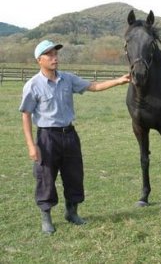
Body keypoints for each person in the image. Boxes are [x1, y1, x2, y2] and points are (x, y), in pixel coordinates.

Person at [19, 39, 130, 234]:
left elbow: (93, 86)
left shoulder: (68, 79)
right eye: (50, 55)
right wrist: (31, 145)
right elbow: (26, 115)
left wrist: (118, 81)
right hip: (46, 137)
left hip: (69, 134)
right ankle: (46, 217)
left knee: (74, 174)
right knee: (46, 177)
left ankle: (72, 213)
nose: (55, 58)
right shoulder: (33, 85)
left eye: (56, 54)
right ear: (39, 60)